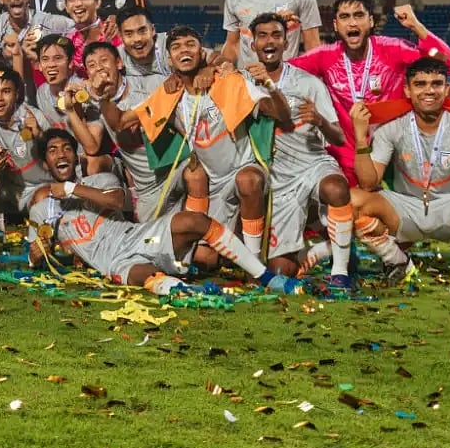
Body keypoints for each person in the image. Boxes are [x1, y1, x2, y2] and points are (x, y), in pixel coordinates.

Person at [100, 27, 301, 291]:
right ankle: (238, 242)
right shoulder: (168, 93)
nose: (184, 50)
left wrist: (269, 86)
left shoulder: (229, 81)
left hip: (247, 170)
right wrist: (103, 96)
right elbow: (120, 122)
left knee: (247, 180)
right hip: (215, 186)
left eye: (191, 44)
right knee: (204, 261)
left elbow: (282, 115)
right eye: (176, 47)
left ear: (201, 51)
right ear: (170, 60)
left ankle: (255, 266)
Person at [30, 130, 280, 294]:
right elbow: (34, 257)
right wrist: (37, 252)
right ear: (45, 163)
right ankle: (188, 292)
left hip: (135, 236)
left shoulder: (99, 180)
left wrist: (73, 189)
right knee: (146, 275)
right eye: (53, 150)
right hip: (114, 262)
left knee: (194, 221)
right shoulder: (42, 209)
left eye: (67, 149)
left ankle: (262, 275)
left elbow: (117, 202)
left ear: (76, 157)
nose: (61, 154)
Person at [350, 57, 450, 297]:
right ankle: (398, 262)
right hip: (406, 209)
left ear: (447, 88)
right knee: (353, 200)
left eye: (436, 84)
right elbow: (369, 183)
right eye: (421, 83)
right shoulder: (392, 128)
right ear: (408, 89)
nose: (429, 90)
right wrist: (361, 138)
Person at [289, 0, 450, 184]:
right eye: (345, 17)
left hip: (397, 148)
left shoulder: (393, 49)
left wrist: (416, 26)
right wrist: (281, 30)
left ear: (371, 21)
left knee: (413, 207)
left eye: (359, 15)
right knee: (350, 204)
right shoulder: (325, 56)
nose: (352, 22)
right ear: (336, 25)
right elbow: (282, 72)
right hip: (349, 153)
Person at [244, 13, 354, 290]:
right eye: (263, 36)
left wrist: (319, 120)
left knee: (336, 188)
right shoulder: (242, 83)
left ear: (286, 41)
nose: (270, 41)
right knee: (282, 269)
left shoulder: (308, 83)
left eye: (276, 35)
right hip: (277, 177)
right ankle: (325, 249)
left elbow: (339, 138)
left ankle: (340, 270)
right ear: (253, 44)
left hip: (311, 163)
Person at [69, 42, 186, 222]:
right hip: (148, 188)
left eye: (104, 61)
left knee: (195, 175)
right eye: (92, 65)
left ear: (119, 63)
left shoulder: (149, 86)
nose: (99, 68)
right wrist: (71, 110)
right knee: (152, 242)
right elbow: (91, 147)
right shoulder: (96, 103)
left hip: (175, 170)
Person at [0, 68, 55, 223]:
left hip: (39, 187)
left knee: (43, 201)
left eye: (6, 91)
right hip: (7, 189)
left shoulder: (33, 117)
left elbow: (57, 158)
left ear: (16, 94)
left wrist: (39, 136)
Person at [62, 0, 121, 74]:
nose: (78, 4)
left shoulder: (113, 34)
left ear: (98, 2)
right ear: (66, 7)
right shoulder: (66, 42)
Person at [117, 8, 169, 78]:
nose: (137, 39)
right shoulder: (116, 58)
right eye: (129, 34)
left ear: (153, 30)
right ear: (120, 36)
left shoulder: (171, 46)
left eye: (142, 31)